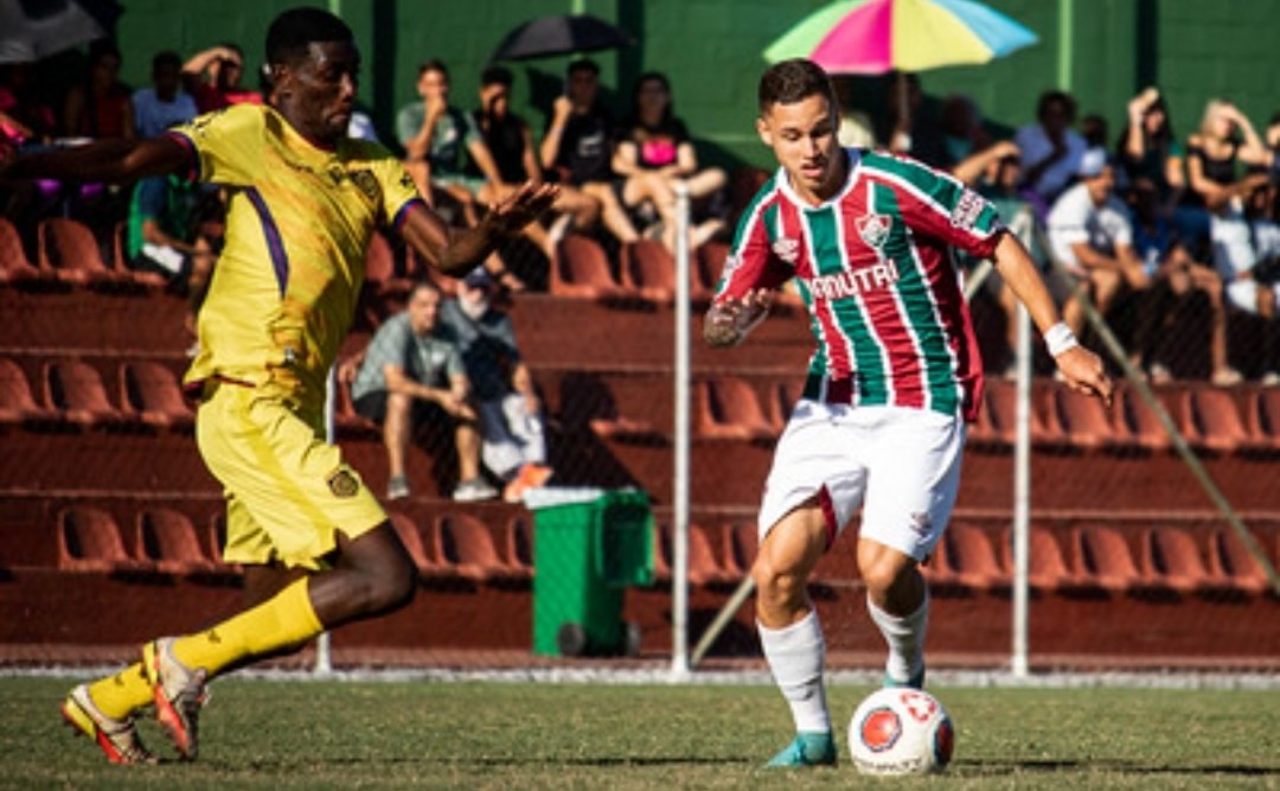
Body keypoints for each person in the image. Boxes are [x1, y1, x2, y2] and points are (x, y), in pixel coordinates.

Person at [0, 7, 555, 765]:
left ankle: (113, 697)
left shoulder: (371, 162)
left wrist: (494, 228)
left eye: (354, 72)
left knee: (268, 607)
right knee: (387, 574)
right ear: (281, 79)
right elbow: (131, 158)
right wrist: (26, 160)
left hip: (293, 406)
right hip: (249, 395)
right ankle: (179, 662)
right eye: (331, 74)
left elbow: (450, 253)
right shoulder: (247, 136)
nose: (348, 88)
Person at [704, 59, 1110, 768]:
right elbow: (721, 315)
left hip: (926, 398)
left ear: (837, 120)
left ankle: (904, 668)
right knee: (774, 570)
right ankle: (813, 735)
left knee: (883, 569)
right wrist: (729, 323)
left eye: (823, 130)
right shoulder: (769, 216)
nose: (812, 148)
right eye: (794, 135)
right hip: (831, 407)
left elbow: (1000, 239)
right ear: (766, 134)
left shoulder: (895, 183)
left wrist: (1063, 342)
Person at [348, 281, 493, 501]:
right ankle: (398, 480)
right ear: (411, 307)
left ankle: (469, 481)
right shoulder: (397, 328)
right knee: (400, 398)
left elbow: (459, 377)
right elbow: (394, 381)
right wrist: (441, 396)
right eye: (424, 305)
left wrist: (459, 391)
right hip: (375, 392)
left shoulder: (446, 333)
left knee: (467, 405)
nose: (431, 311)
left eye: (437, 306)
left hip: (423, 394)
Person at [440, 268, 552, 503]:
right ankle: (516, 475)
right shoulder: (446, 312)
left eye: (483, 288)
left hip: (495, 388)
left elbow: (516, 364)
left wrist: (529, 392)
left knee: (524, 405)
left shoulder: (499, 320)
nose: (478, 294)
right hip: (462, 389)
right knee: (487, 416)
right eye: (472, 287)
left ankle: (533, 467)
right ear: (459, 288)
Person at [1046, 149, 1149, 352]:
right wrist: (1128, 269)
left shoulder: (1118, 208)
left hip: (1095, 270)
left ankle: (1135, 357)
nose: (1106, 182)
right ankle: (1070, 355)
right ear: (1086, 178)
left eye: (1110, 176)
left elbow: (1124, 251)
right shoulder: (1073, 204)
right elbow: (1084, 256)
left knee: (1146, 286)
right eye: (1098, 177)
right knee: (1086, 289)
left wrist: (1139, 272)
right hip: (1059, 269)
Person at [612, 71, 726, 253]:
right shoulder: (629, 127)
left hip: (675, 185)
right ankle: (688, 230)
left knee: (717, 175)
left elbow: (689, 163)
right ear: (638, 97)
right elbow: (622, 165)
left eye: (658, 91)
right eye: (647, 92)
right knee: (653, 182)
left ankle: (681, 232)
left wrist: (669, 176)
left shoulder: (675, 126)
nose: (653, 97)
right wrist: (656, 177)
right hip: (639, 187)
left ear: (667, 96)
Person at [540, 58, 640, 247]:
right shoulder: (560, 116)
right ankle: (636, 246)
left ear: (596, 84)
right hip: (571, 187)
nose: (584, 86)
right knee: (600, 194)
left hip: (604, 185)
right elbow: (546, 160)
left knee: (604, 192)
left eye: (589, 80)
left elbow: (615, 157)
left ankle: (636, 246)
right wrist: (561, 118)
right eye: (578, 81)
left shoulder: (604, 115)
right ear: (570, 85)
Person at [1015, 90, 1086, 212]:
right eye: (1051, 114)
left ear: (1069, 117)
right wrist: (1053, 157)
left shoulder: (1078, 143)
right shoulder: (1026, 136)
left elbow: (1081, 178)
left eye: (1061, 114)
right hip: (1031, 197)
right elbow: (1024, 178)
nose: (1055, 119)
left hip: (1067, 200)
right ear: (1042, 115)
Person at [63, 40, 135, 140]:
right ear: (94, 68)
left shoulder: (122, 99)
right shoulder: (78, 95)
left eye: (114, 68)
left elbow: (128, 135)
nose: (110, 73)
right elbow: (70, 134)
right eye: (104, 67)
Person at [133, 51, 199, 138]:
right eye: (164, 75)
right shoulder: (140, 99)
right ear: (154, 76)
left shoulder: (187, 103)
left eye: (173, 76)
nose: (169, 81)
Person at [182, 43, 263, 113]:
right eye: (224, 65)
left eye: (233, 66)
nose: (229, 71)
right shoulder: (204, 93)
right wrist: (217, 52)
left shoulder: (252, 100)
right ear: (211, 67)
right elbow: (187, 73)